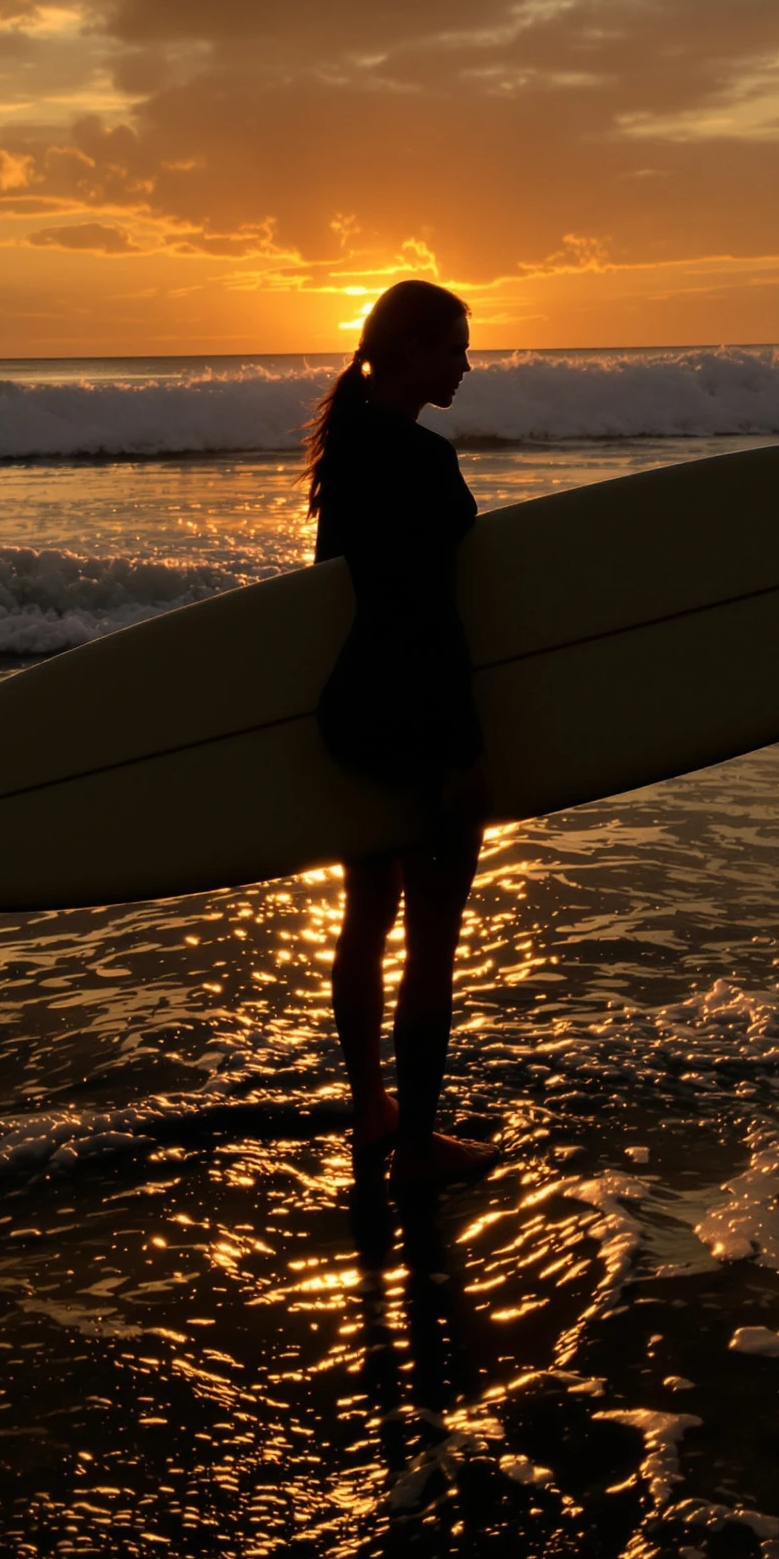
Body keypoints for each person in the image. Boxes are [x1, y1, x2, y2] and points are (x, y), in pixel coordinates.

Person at [305, 279, 497, 1187]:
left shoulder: (341, 450)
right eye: (454, 346)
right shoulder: (421, 460)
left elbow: (334, 599)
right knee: (430, 943)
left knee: (366, 920)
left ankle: (373, 1111)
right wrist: (463, 754)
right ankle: (418, 1150)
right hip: (419, 721)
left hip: (354, 716)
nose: (466, 364)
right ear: (414, 351)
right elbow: (432, 616)